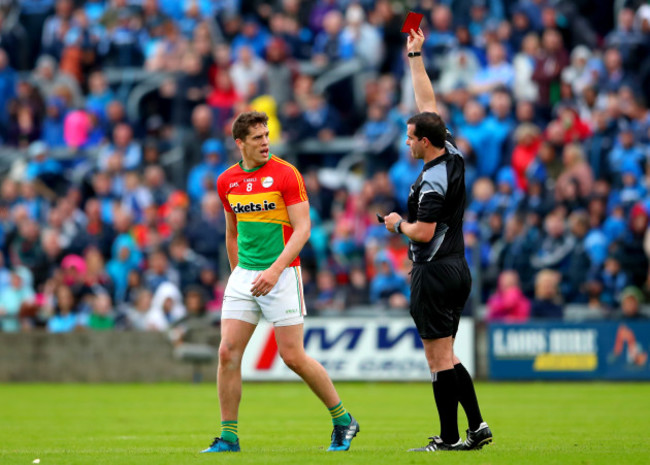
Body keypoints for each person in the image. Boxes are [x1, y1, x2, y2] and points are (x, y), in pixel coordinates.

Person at [202, 111, 359, 453]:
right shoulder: (226, 181)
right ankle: (229, 437)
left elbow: (303, 230)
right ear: (239, 143)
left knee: (292, 357)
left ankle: (343, 419)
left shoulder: (286, 174)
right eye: (257, 138)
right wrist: (237, 275)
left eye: (266, 135)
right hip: (245, 275)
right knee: (227, 352)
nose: (265, 142)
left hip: (283, 274)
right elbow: (232, 232)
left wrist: (274, 271)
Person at [381, 28, 491, 452]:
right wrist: (415, 56)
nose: (407, 141)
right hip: (457, 266)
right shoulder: (453, 155)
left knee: (437, 360)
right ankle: (476, 427)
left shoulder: (430, 184)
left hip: (433, 269)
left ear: (424, 142)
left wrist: (395, 224)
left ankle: (447, 438)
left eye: (410, 137)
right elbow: (428, 106)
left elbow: (423, 231)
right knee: (449, 355)